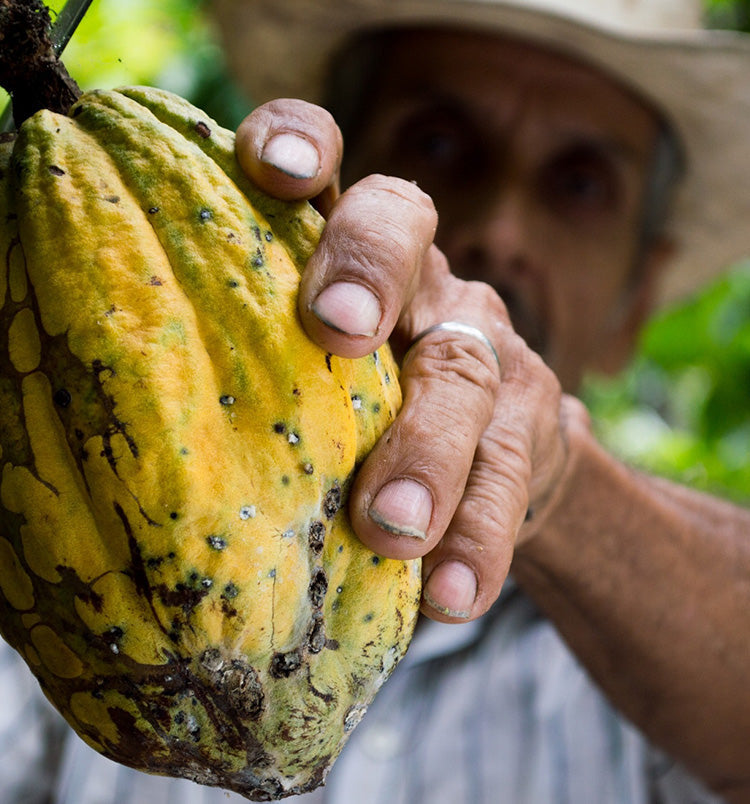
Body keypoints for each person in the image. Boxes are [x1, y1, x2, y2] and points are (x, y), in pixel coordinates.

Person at [2, 0, 750, 801]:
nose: (501, 229)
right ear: (324, 181)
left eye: (579, 184)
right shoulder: (71, 462)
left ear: (636, 307)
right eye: (435, 141)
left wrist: (555, 482)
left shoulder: (660, 670)